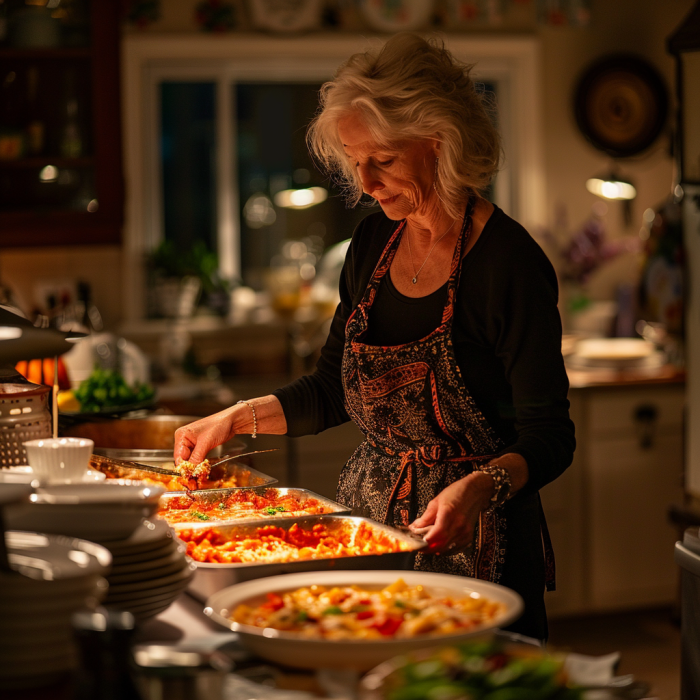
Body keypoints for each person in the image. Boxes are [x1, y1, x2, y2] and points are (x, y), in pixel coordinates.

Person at [173, 33, 575, 641]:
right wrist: (235, 418)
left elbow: (551, 436)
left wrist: (481, 486)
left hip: (481, 543)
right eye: (354, 162)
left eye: (382, 161)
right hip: (370, 533)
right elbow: (332, 391)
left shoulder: (508, 264)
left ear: (439, 141)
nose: (364, 183)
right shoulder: (371, 246)